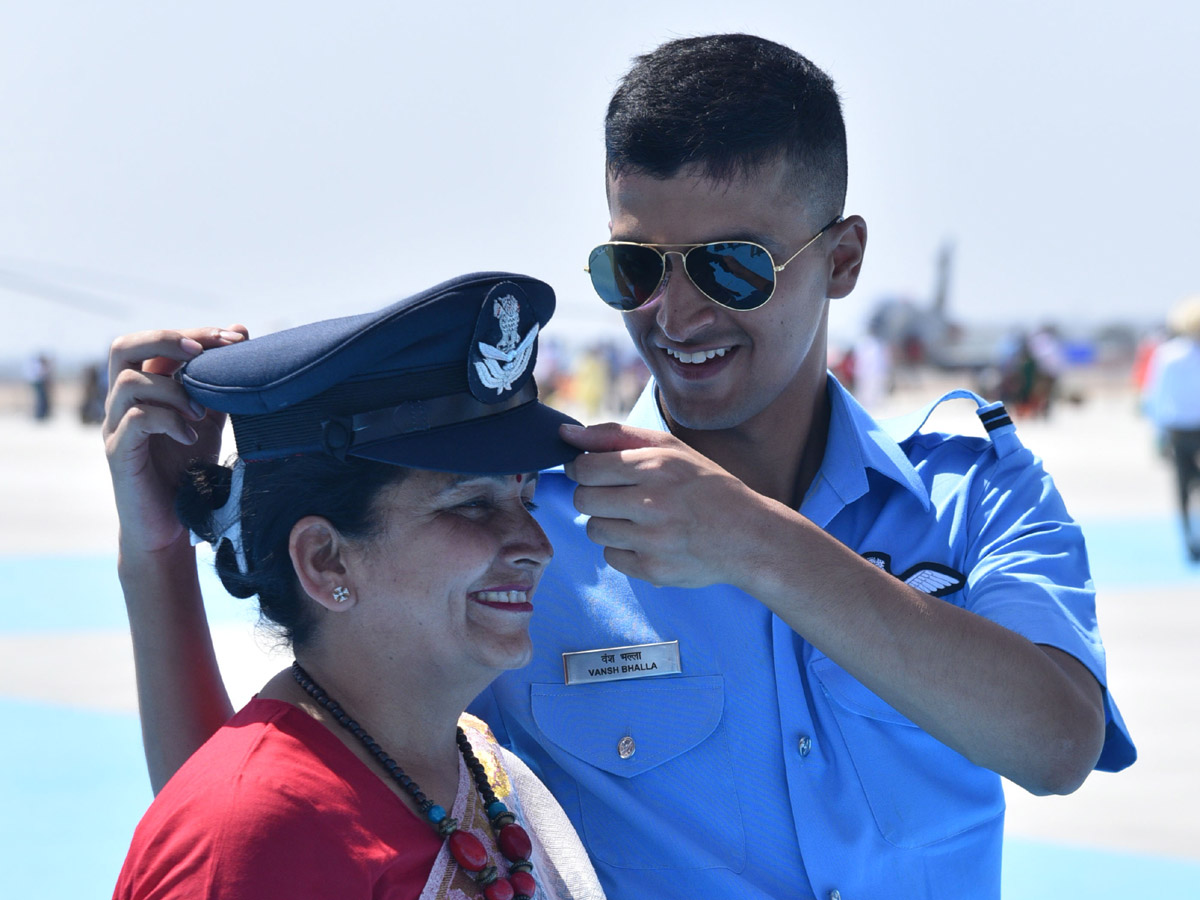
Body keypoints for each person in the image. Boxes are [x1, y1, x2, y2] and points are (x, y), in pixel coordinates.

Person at [120, 34, 1134, 900]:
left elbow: (1054, 744)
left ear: (844, 258)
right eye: (636, 269)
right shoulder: (529, 531)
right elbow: (280, 799)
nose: (676, 315)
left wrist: (752, 542)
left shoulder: (971, 492)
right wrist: (155, 554)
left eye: (733, 266)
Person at [105, 273, 605, 899]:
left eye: (525, 497)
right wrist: (155, 555)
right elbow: (250, 829)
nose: (537, 546)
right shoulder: (250, 828)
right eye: (473, 505)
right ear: (325, 560)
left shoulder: (464, 762)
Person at [1142, 295, 1200, 562]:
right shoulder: (1168, 354)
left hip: (1178, 431)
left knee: (1182, 486)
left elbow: (1154, 397)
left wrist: (1159, 435)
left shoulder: (1167, 354)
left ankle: (1190, 540)